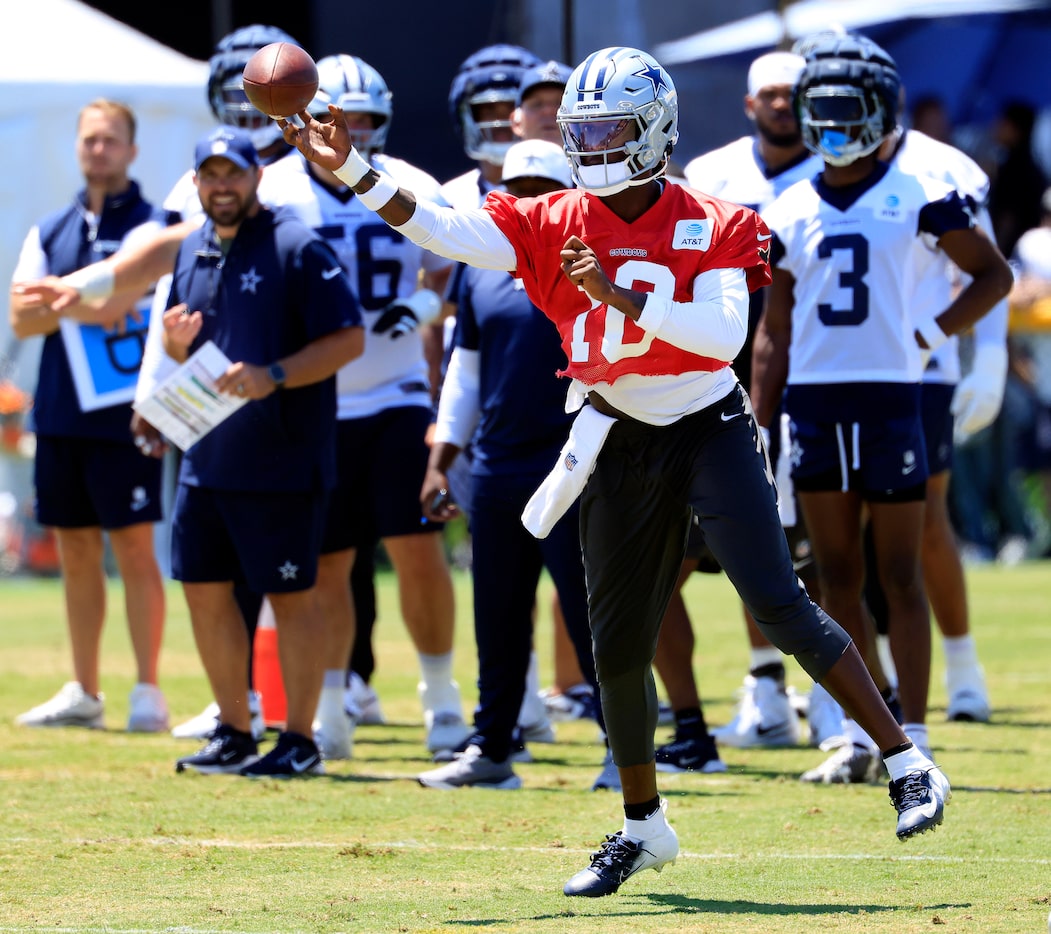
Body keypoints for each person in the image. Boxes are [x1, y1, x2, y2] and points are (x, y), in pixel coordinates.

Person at [281, 44, 952, 898]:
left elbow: (722, 337)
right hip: (612, 430)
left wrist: (621, 296)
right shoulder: (550, 215)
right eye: (583, 130)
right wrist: (352, 169)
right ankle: (643, 827)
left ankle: (905, 761)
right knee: (617, 644)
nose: (592, 146)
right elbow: (440, 227)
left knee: (779, 603)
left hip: (705, 423)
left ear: (654, 130)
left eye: (608, 130)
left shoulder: (715, 218)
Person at [751, 38, 1012, 783]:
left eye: (845, 108)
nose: (831, 123)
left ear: (877, 111)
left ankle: (914, 734)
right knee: (834, 575)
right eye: (821, 108)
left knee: (898, 572)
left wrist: (930, 335)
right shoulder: (787, 205)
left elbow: (992, 275)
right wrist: (760, 420)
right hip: (815, 403)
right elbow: (773, 329)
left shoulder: (920, 190)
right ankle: (861, 736)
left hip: (893, 399)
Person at [260, 54, 465, 759]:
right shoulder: (275, 190)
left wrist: (423, 306)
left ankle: (441, 698)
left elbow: (448, 271)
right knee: (326, 564)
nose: (353, 129)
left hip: (396, 393)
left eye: (367, 118)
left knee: (418, 548)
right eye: (335, 115)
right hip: (314, 401)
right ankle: (333, 706)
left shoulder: (411, 182)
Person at [161, 126, 363, 776]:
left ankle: (300, 741)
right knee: (202, 589)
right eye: (211, 175)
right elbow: (180, 344)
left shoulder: (296, 244)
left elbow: (349, 339)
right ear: (197, 183)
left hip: (281, 460)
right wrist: (171, 344)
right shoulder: (190, 247)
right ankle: (234, 730)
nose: (222, 186)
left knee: (292, 596)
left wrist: (272, 375)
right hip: (205, 457)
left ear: (255, 177)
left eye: (234, 173)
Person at [649, 51, 828, 767]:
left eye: (794, 94)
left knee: (807, 555)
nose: (783, 105)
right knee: (689, 554)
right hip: (715, 385)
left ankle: (829, 701)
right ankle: (762, 690)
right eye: (771, 95)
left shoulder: (835, 174)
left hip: (812, 380)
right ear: (750, 104)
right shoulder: (711, 175)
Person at [414, 139, 606, 790]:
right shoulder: (479, 268)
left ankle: (623, 746)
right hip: (496, 463)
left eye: (540, 190)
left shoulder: (595, 262)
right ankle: (493, 748)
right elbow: (464, 372)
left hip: (574, 459)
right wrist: (442, 458)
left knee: (589, 611)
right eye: (515, 189)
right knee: (496, 614)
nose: (526, 202)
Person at [9, 99, 169, 733]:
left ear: (132, 149)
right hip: (59, 413)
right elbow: (21, 318)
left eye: (110, 139)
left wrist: (59, 298)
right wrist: (84, 300)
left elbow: (115, 308)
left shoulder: (153, 226)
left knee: (133, 549)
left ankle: (148, 690)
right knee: (74, 550)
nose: (98, 150)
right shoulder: (51, 228)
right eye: (89, 139)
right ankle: (85, 688)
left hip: (127, 416)